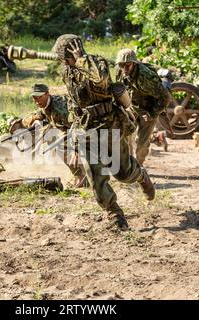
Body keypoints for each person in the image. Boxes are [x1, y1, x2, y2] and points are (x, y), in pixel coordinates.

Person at [51, 34, 155, 230]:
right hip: (86, 129)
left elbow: (100, 79)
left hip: (110, 125)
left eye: (66, 56)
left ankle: (141, 176)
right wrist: (71, 135)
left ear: (74, 52)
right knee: (95, 177)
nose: (63, 61)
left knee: (123, 173)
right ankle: (115, 214)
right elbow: (73, 103)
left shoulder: (97, 62)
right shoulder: (67, 71)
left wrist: (82, 59)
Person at [9, 83, 88, 188]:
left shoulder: (60, 107)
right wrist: (21, 123)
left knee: (58, 144)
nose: (37, 101)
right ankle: (80, 173)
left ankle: (81, 176)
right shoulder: (46, 103)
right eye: (34, 98)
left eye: (39, 97)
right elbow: (39, 114)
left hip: (85, 128)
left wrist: (76, 148)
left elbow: (77, 125)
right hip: (70, 129)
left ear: (47, 93)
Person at [115, 48, 170, 165]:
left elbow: (165, 97)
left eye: (128, 65)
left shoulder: (146, 77)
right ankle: (129, 167)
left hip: (149, 110)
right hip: (133, 107)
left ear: (134, 64)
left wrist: (153, 114)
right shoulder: (120, 71)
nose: (124, 68)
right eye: (121, 65)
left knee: (141, 145)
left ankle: (139, 167)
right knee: (124, 136)